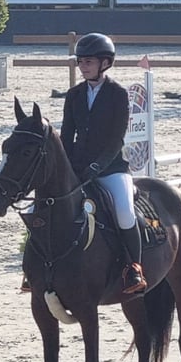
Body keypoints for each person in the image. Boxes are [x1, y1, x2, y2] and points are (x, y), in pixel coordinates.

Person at [60, 32, 147, 295]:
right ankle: (37, 266)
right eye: (81, 61)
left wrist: (98, 166)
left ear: (104, 63)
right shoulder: (74, 94)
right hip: (77, 169)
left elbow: (116, 138)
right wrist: (65, 165)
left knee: (124, 212)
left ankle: (134, 268)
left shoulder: (118, 94)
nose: (83, 66)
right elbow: (66, 134)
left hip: (111, 169)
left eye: (88, 61)